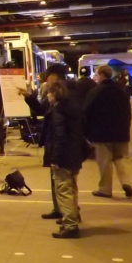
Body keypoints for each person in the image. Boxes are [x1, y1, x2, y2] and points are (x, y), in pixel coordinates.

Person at [20, 63, 80, 221]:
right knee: (61, 182)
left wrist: (56, 156)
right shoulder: (60, 94)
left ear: (56, 77)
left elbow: (61, 131)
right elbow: (42, 110)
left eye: (49, 76)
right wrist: (29, 97)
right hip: (64, 146)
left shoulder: (64, 98)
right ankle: (61, 210)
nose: (46, 79)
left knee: (65, 184)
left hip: (63, 148)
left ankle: (70, 219)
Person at [83, 65, 132, 198]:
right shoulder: (121, 90)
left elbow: (86, 111)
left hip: (101, 133)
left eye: (97, 74)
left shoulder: (95, 91)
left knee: (105, 162)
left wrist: (86, 131)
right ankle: (126, 182)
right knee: (120, 159)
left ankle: (105, 189)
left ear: (101, 74)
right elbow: (128, 112)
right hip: (121, 132)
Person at [45, 80, 86, 238]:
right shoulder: (73, 107)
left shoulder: (59, 111)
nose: (48, 96)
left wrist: (55, 158)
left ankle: (70, 225)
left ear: (54, 94)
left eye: (49, 93)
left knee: (63, 190)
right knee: (72, 188)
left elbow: (59, 137)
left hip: (64, 156)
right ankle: (73, 216)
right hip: (75, 154)